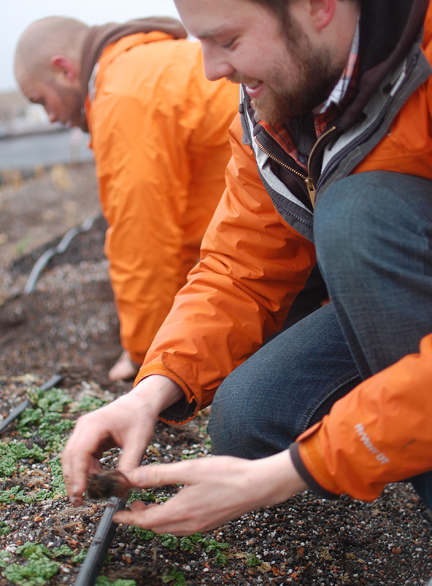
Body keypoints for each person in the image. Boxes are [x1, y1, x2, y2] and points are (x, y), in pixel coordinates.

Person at [62, 0, 432, 537]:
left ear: (319, 7)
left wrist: (296, 470)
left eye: (228, 41)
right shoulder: (275, 109)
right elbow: (241, 264)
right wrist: (151, 390)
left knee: (357, 217)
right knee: (249, 415)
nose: (210, 69)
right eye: (201, 42)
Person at [14, 16, 239, 380]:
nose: (50, 117)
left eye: (42, 101)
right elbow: (184, 221)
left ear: (64, 70)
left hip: (290, 240)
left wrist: (143, 355)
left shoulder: (123, 97)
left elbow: (143, 241)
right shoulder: (144, 68)